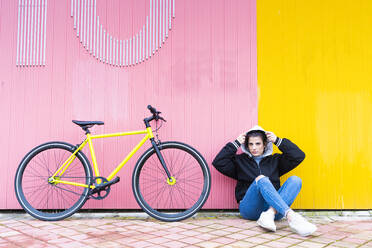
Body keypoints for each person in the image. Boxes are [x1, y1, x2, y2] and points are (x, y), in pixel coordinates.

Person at [212, 125, 317, 236]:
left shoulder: (275, 160)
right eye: (250, 144)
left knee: (295, 180)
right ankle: (292, 217)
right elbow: (218, 162)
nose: (254, 148)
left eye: (258, 143)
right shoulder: (240, 161)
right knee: (261, 179)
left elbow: (298, 156)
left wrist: (277, 141)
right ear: (246, 145)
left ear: (265, 144)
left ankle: (269, 214)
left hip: (275, 210)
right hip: (249, 209)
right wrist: (236, 143)